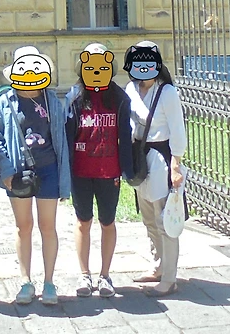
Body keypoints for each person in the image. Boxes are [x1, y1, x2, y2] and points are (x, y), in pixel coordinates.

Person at [0, 46, 71, 306]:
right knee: (23, 227)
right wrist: (5, 171)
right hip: (17, 173)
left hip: (48, 170)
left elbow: (60, 137)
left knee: (48, 227)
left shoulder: (50, 100)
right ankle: (25, 282)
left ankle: (49, 282)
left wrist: (64, 177)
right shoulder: (5, 102)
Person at [64, 42, 133, 298]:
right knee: (83, 222)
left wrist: (129, 170)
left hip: (109, 172)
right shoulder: (74, 97)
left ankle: (105, 275)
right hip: (81, 171)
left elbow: (125, 136)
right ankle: (84, 274)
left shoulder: (118, 98)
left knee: (107, 222)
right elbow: (67, 135)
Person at [123, 40, 187, 296]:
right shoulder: (131, 89)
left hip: (161, 157)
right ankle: (158, 266)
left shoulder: (167, 92)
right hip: (140, 157)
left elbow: (178, 130)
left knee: (164, 219)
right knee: (148, 216)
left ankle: (169, 278)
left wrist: (176, 165)